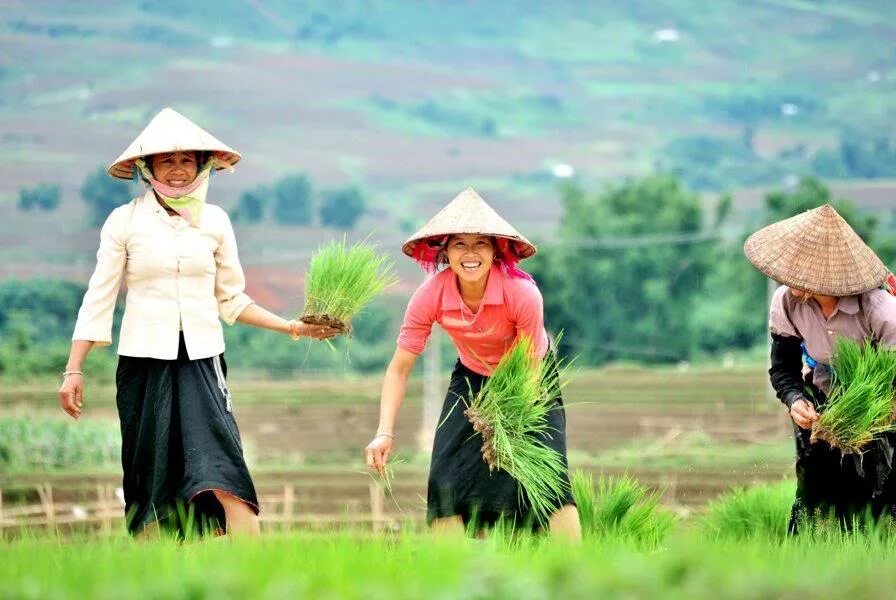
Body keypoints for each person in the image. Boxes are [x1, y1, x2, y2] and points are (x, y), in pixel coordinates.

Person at [59, 107, 340, 538]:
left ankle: (250, 578)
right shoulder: (125, 221)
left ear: (202, 166)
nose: (176, 170)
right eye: (166, 161)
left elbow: (230, 299)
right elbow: (100, 295)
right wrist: (74, 368)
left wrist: (292, 327)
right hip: (143, 364)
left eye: (186, 160)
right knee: (150, 476)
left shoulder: (215, 222)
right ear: (147, 168)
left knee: (223, 469)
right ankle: (159, 578)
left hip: (203, 363)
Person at [365, 188, 580, 539]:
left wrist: (508, 421)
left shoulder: (522, 293)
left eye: (480, 244)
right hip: (472, 376)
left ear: (495, 251)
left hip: (530, 378)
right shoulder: (430, 295)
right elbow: (400, 367)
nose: (470, 254)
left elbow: (530, 367)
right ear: (445, 251)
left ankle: (576, 573)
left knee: (549, 478)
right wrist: (383, 433)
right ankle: (452, 578)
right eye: (459, 245)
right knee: (445, 481)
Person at [744, 203, 896, 532]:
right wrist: (794, 399)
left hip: (878, 407)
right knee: (815, 491)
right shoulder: (786, 301)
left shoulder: (880, 310)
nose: (790, 278)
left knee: (876, 492)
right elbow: (782, 367)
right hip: (823, 400)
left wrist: (881, 414)